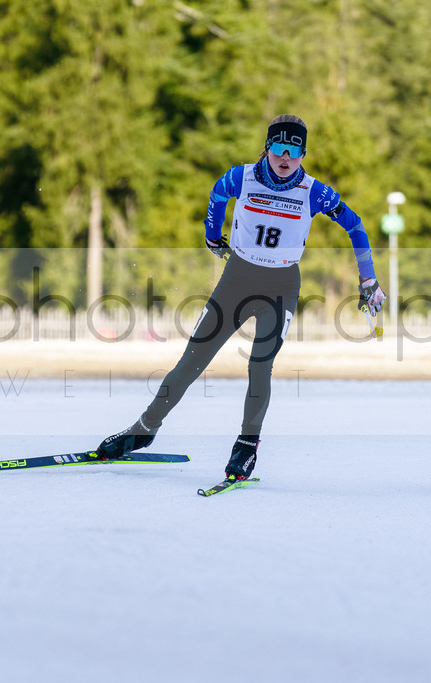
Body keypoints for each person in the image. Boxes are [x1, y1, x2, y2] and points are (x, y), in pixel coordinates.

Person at [93, 114, 386, 481]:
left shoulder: (314, 191)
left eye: (294, 152)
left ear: (303, 154)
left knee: (260, 365)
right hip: (237, 281)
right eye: (279, 149)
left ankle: (247, 446)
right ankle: (143, 429)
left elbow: (355, 226)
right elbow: (217, 192)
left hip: (281, 288)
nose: (285, 158)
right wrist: (212, 235)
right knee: (191, 361)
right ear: (267, 148)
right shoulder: (241, 177)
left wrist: (368, 279)